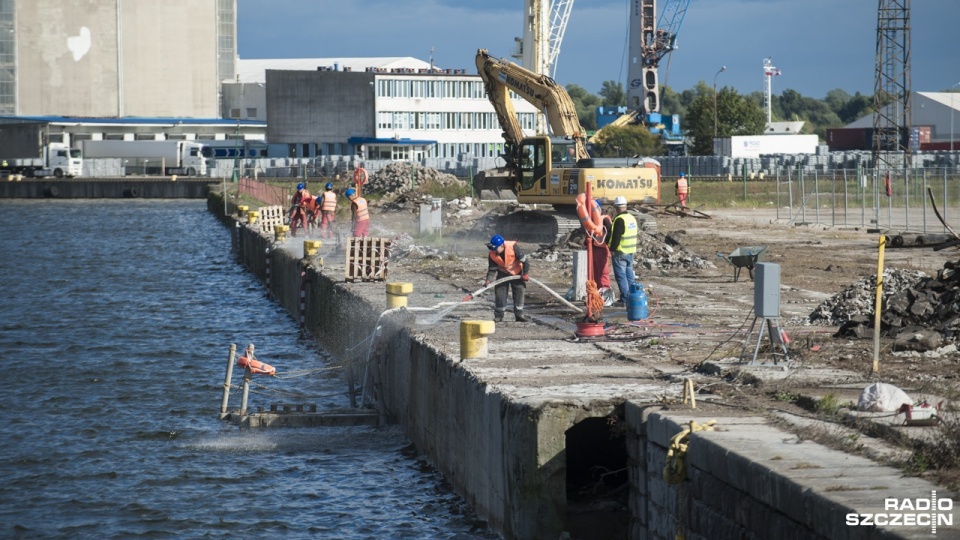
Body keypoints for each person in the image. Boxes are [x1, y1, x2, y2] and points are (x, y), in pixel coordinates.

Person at [485, 234, 530, 323]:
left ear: (502, 245)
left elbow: (526, 261)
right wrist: (488, 280)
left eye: (495, 248)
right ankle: (499, 316)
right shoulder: (492, 254)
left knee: (519, 292)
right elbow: (492, 269)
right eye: (492, 248)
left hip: (517, 273)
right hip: (503, 274)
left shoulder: (513, 248)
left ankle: (519, 315)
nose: (494, 251)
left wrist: (525, 273)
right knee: (500, 293)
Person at [607, 196, 638, 305]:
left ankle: (625, 299)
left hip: (620, 252)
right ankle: (633, 296)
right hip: (630, 251)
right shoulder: (631, 218)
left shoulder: (619, 219)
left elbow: (616, 237)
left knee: (621, 276)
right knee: (629, 275)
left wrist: (612, 249)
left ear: (616, 207)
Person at [591, 200, 613, 292]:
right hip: (594, 248)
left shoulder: (604, 219)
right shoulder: (592, 219)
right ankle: (597, 291)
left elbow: (610, 233)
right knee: (595, 272)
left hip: (603, 249)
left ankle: (605, 290)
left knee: (603, 272)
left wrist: (610, 246)